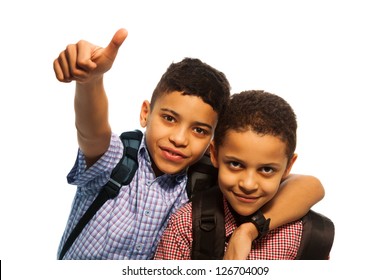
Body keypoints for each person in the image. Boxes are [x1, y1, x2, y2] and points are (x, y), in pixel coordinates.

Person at [53, 28, 324, 260]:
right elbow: (91, 131)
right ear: (146, 113)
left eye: (199, 130)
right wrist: (90, 82)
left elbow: (309, 186)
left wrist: (250, 228)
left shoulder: (207, 178)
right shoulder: (117, 160)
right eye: (169, 118)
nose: (180, 139)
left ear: (212, 143)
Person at [154, 90, 318, 260]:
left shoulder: (304, 236)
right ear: (214, 155)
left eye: (266, 169)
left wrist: (247, 231)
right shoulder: (185, 227)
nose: (248, 184)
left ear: (288, 166)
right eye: (235, 164)